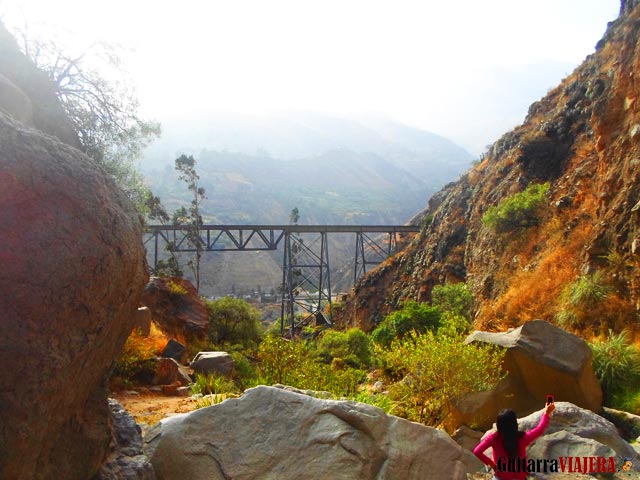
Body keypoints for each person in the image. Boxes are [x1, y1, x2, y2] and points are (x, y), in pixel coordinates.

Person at [473, 399, 555, 480]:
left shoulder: (494, 438)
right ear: (514, 423)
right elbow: (539, 429)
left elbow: (477, 451)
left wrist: (493, 465)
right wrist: (546, 413)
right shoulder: (522, 438)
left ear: (499, 425)